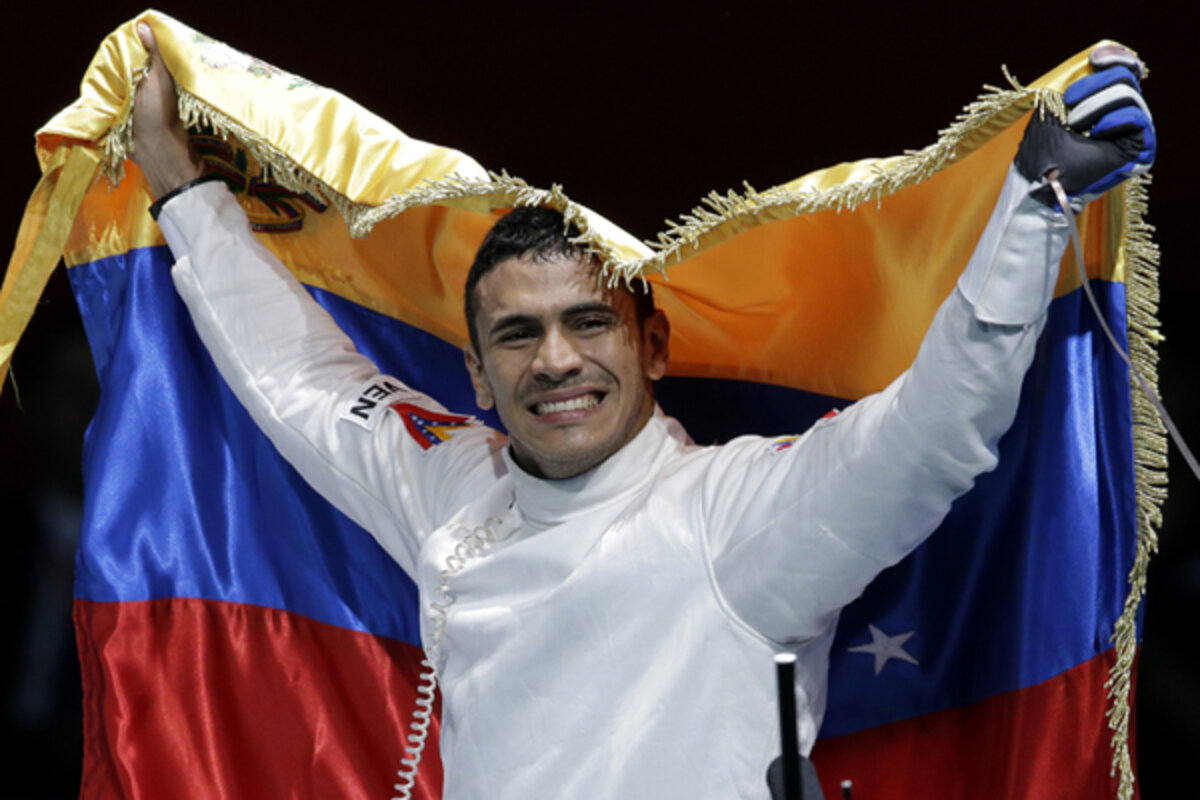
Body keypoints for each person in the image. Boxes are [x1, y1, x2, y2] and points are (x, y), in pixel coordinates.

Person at [130, 22, 1154, 800]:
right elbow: (301, 381)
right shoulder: (447, 487)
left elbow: (933, 431)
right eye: (519, 334)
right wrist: (178, 187)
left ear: (652, 347)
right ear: (476, 374)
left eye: (589, 322)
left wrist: (1033, 205)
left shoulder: (736, 516)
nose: (556, 360)